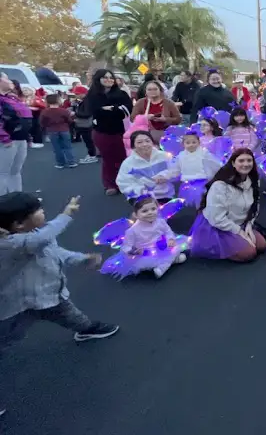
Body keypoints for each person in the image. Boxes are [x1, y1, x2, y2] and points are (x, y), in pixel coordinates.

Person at [0, 192, 118, 404]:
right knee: (6, 337)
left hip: (48, 294)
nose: (43, 211)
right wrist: (66, 214)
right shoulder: (11, 244)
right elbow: (40, 240)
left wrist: (82, 259)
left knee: (69, 313)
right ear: (18, 224)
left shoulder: (38, 233)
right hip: (17, 305)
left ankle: (86, 329)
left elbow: (57, 252)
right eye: (37, 211)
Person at [189, 148, 266, 262]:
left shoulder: (253, 181)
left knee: (262, 245)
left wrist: (249, 225)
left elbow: (255, 207)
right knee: (249, 253)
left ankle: (238, 241)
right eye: (241, 161)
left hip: (241, 222)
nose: (246, 164)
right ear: (233, 163)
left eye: (249, 160)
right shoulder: (220, 186)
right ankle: (217, 245)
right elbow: (217, 218)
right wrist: (239, 232)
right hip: (219, 225)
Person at [99, 195, 188, 279]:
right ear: (136, 215)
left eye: (153, 209)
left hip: (162, 246)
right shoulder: (132, 231)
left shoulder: (161, 222)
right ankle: (165, 265)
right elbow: (126, 246)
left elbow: (168, 232)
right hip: (145, 251)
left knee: (179, 246)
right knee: (153, 260)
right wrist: (133, 251)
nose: (150, 213)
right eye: (144, 211)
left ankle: (166, 264)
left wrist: (171, 239)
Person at [85, 69, 133, 196]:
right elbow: (93, 111)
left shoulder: (121, 94)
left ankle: (125, 182)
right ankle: (110, 184)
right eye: (105, 77)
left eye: (111, 77)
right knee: (108, 159)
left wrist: (111, 109)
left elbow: (127, 109)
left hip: (121, 132)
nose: (109, 80)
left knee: (123, 158)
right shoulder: (92, 95)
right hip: (102, 132)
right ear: (98, 79)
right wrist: (112, 110)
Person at [157, 131, 221, 208]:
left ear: (199, 142)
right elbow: (174, 170)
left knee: (204, 204)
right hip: (187, 184)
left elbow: (215, 164)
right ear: (183, 144)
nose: (191, 145)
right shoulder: (180, 156)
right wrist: (164, 176)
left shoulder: (205, 153)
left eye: (194, 142)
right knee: (189, 206)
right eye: (188, 143)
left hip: (203, 183)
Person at [116, 131, 174, 203]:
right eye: (139, 142)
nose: (144, 144)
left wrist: (166, 176)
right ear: (133, 146)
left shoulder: (164, 156)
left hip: (165, 194)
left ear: (152, 143)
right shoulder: (128, 163)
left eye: (147, 141)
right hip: (141, 196)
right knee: (149, 212)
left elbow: (176, 172)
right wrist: (143, 190)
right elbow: (123, 183)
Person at [0, 73, 32, 195]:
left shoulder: (11, 98)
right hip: (7, 140)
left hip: (20, 138)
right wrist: (5, 138)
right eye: (6, 78)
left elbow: (24, 117)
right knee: (3, 173)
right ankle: (4, 204)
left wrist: (27, 136)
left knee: (15, 171)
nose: (10, 81)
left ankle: (17, 199)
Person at [40, 94, 77, 169]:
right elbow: (69, 120)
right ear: (58, 101)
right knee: (67, 147)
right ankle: (71, 162)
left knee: (57, 148)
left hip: (52, 130)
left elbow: (42, 122)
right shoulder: (64, 111)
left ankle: (60, 163)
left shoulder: (45, 112)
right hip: (64, 130)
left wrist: (46, 126)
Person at [70, 85, 97, 164]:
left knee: (88, 140)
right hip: (85, 124)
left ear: (82, 93)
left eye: (77, 93)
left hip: (86, 124)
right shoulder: (86, 100)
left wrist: (75, 113)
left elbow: (87, 114)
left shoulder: (87, 101)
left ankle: (92, 156)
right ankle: (91, 155)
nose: (76, 95)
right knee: (88, 140)